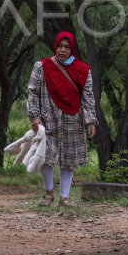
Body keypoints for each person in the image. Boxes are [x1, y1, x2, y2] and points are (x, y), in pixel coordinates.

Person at [27, 31, 97, 207]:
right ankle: (48, 193)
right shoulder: (42, 66)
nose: (63, 50)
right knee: (46, 156)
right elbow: (32, 92)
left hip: (72, 119)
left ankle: (64, 197)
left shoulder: (83, 70)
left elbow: (88, 97)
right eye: (60, 46)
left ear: (72, 48)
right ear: (55, 46)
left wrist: (90, 120)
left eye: (67, 47)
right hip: (48, 119)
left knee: (69, 160)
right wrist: (35, 116)